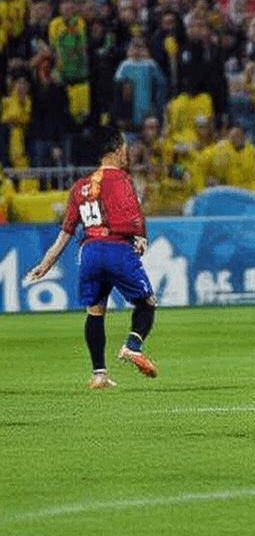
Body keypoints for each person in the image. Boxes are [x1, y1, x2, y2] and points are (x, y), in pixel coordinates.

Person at [24, 127, 158, 389]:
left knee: (95, 312)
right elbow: (131, 214)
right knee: (147, 303)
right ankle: (132, 347)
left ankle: (99, 375)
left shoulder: (80, 187)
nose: (127, 153)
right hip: (116, 249)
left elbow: (66, 232)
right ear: (117, 150)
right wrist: (140, 236)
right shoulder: (121, 179)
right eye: (125, 148)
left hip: (90, 253)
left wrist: (46, 263)